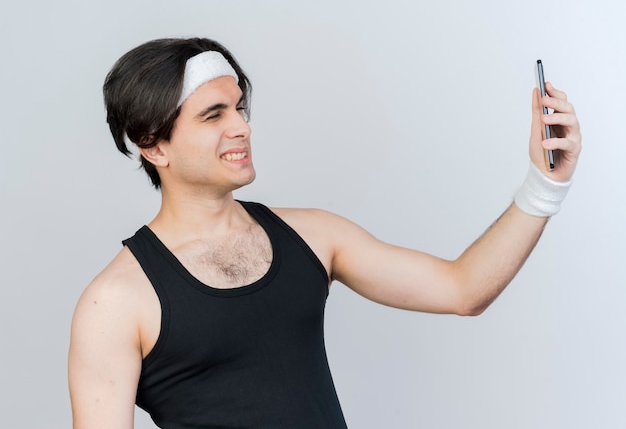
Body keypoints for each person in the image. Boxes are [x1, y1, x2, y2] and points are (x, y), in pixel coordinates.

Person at [68, 37, 582, 429]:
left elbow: (462, 289)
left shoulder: (313, 235)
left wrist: (545, 185)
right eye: (213, 115)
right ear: (153, 145)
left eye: (239, 107)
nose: (242, 127)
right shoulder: (115, 302)